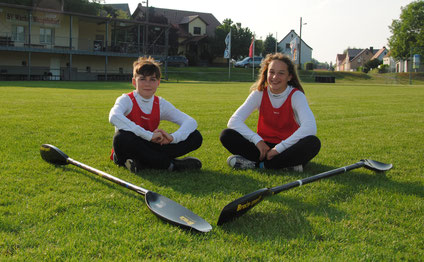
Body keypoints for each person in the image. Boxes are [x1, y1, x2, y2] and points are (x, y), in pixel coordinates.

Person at [220, 53, 320, 171]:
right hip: (263, 148)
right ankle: (285, 166)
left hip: (287, 147)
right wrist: (258, 141)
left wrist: (278, 149)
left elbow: (310, 127)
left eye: (281, 73)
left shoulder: (296, 96)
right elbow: (234, 121)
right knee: (226, 135)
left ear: (289, 76)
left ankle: (260, 165)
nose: (274, 77)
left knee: (313, 143)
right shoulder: (259, 93)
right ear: (266, 73)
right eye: (271, 72)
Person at [109, 56, 202, 172]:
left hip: (149, 146)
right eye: (142, 79)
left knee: (195, 136)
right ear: (134, 82)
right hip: (132, 144)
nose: (147, 84)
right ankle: (171, 164)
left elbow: (190, 122)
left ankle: (141, 162)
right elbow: (114, 116)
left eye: (152, 79)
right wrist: (149, 135)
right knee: (121, 137)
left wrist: (173, 138)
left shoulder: (160, 103)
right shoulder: (126, 99)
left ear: (158, 82)